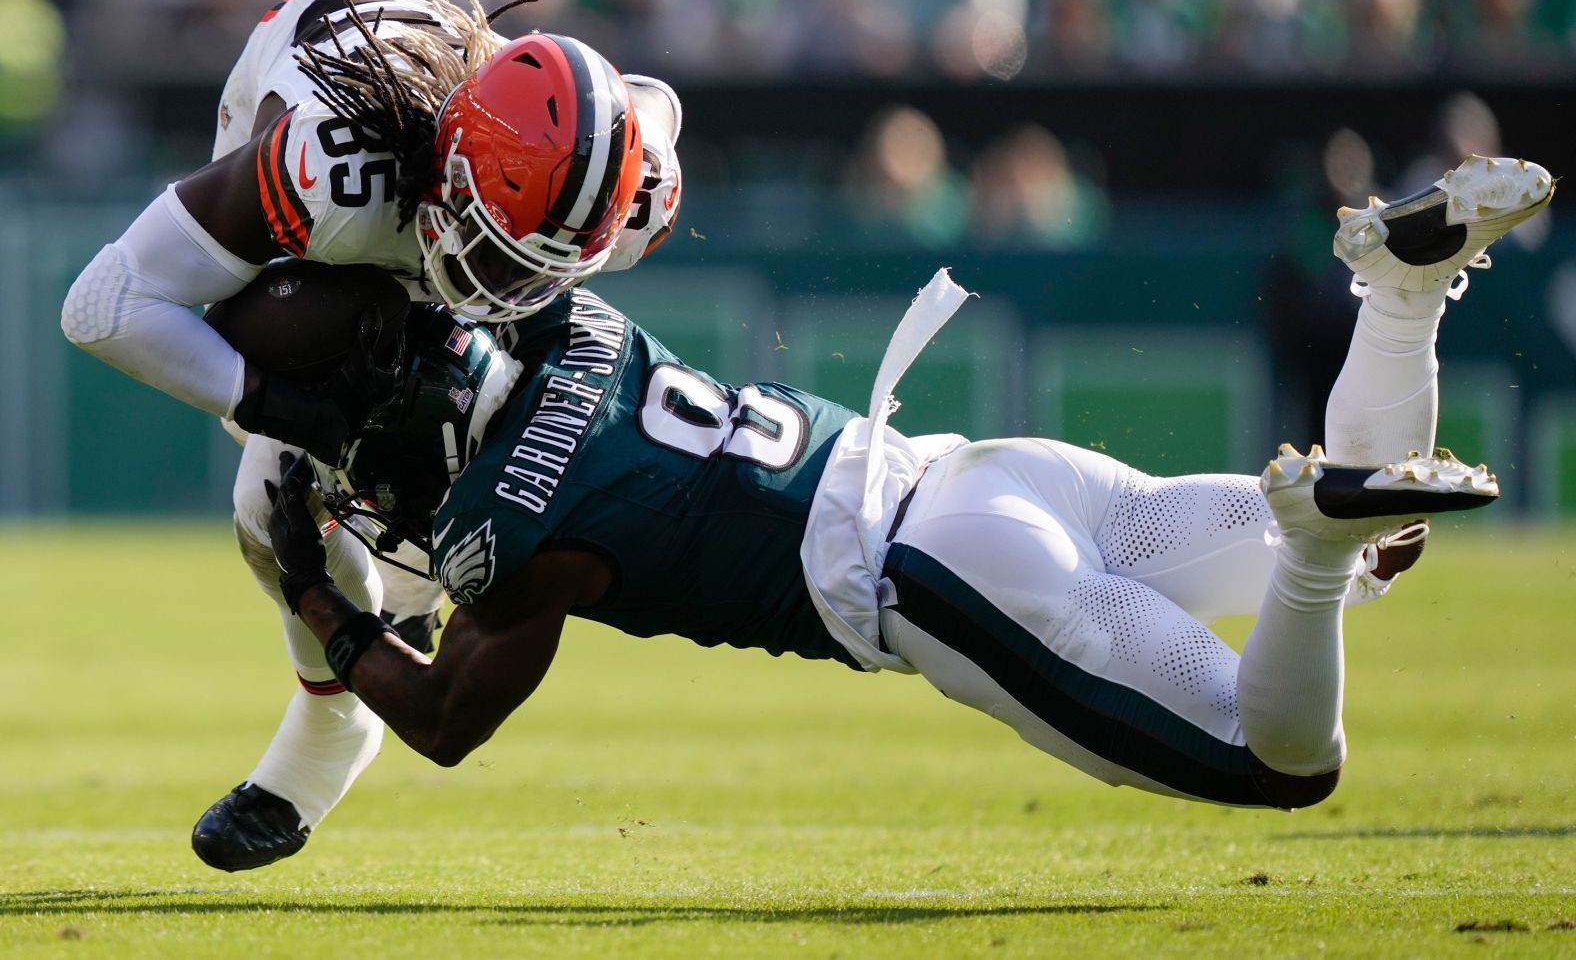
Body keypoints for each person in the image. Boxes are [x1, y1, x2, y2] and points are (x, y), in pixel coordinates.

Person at [263, 153, 1550, 814]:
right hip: (987, 472)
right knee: (1394, 544)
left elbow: (441, 720)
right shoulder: (570, 321)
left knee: (1283, 765)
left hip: (940, 580)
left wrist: (321, 598)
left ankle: (1311, 547)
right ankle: (1400, 292)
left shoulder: (509, 532)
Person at [58, 0, 684, 870]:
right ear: (453, 175)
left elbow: (655, 105)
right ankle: (338, 709)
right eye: (492, 249)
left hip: (454, 180)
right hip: (316, 113)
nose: (497, 292)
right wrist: (284, 406)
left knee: (447, 406)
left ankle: (410, 599)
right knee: (272, 494)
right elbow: (101, 306)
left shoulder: (628, 189)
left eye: (531, 270)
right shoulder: (333, 173)